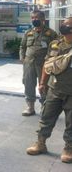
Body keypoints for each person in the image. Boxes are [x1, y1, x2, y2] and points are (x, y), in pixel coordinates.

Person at [26, 17, 72, 163]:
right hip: (54, 89)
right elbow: (48, 63)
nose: (65, 26)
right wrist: (42, 83)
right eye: (64, 24)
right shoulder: (55, 44)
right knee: (46, 117)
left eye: (69, 25)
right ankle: (40, 143)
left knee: (71, 123)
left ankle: (69, 148)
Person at [19, 10, 57, 116]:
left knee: (44, 85)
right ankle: (30, 107)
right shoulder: (28, 32)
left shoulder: (51, 33)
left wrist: (50, 60)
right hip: (29, 63)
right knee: (28, 84)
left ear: (43, 19)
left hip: (43, 64)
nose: (34, 20)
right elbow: (22, 46)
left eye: (36, 18)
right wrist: (22, 58)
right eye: (32, 18)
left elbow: (56, 48)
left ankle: (44, 107)